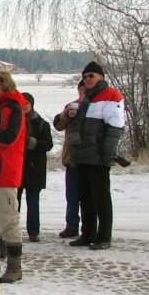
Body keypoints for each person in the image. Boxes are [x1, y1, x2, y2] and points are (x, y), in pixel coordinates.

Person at [67, 61, 125, 250]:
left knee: (101, 198)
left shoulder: (111, 96)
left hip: (98, 156)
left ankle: (103, 236)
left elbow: (115, 127)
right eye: (84, 77)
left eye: (91, 75)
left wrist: (107, 153)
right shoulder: (86, 99)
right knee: (85, 197)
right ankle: (87, 233)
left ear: (100, 77)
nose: (87, 79)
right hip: (82, 154)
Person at [0, 70, 27, 283]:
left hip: (5, 171)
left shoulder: (12, 108)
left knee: (8, 220)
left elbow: (10, 137)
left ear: (5, 86)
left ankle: (14, 266)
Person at [18, 93, 53, 242]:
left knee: (33, 202)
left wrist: (30, 142)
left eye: (26, 103)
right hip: (18, 167)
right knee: (14, 202)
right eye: (22, 103)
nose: (24, 105)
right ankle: (12, 229)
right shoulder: (15, 121)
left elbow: (48, 144)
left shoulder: (41, 123)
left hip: (34, 168)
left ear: (31, 104)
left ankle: (33, 231)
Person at [54, 80, 85, 238]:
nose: (82, 92)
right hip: (72, 158)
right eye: (80, 89)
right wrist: (66, 114)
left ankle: (88, 228)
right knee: (71, 195)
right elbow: (58, 125)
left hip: (88, 158)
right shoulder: (72, 106)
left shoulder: (96, 106)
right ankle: (71, 225)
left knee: (88, 197)